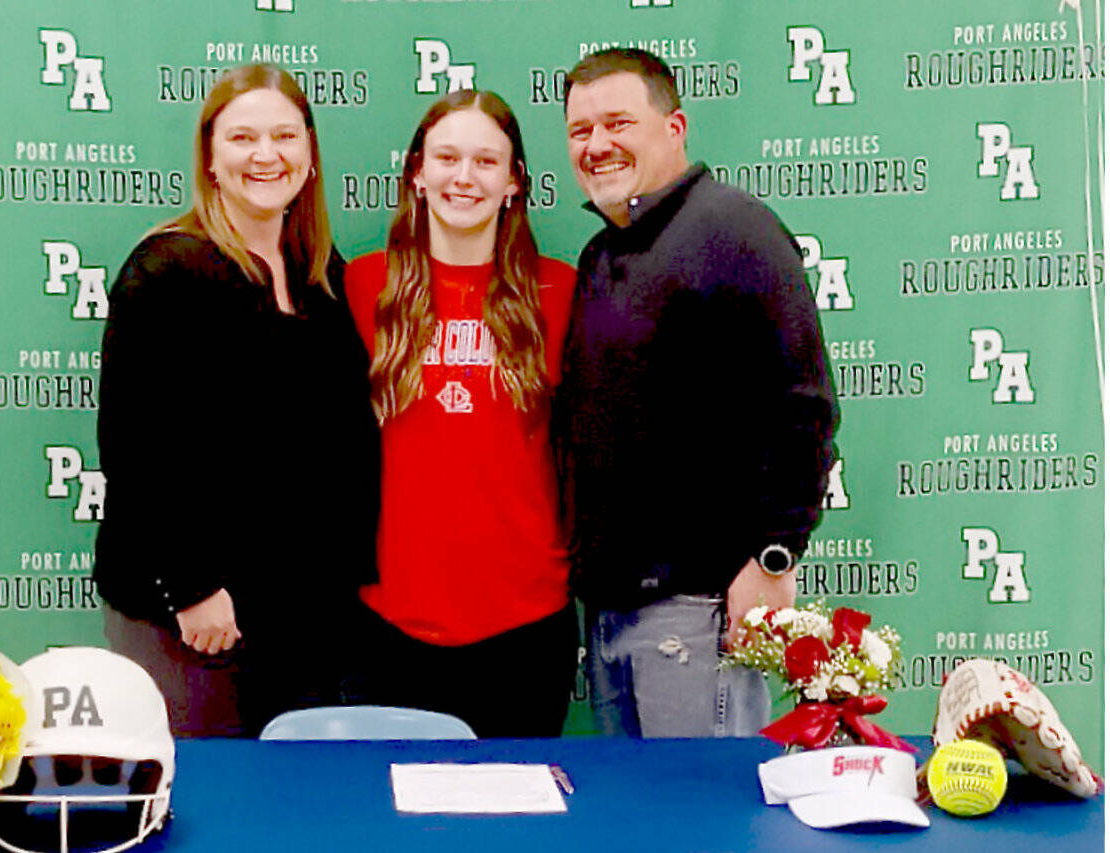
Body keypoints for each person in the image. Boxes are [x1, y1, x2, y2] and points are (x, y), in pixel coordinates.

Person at [554, 48, 839, 738]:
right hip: (613, 611)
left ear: (674, 127)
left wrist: (774, 557)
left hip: (699, 608)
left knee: (703, 826)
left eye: (618, 122)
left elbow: (804, 409)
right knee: (644, 828)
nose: (597, 145)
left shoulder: (734, 231)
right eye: (580, 130)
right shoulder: (602, 255)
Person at [94, 64, 378, 737]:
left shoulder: (320, 277)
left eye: (284, 136)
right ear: (211, 159)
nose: (265, 154)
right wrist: (190, 590)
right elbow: (135, 449)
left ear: (308, 157)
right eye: (242, 137)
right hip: (194, 620)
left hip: (300, 616)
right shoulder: (166, 270)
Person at [345, 90, 577, 738]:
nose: (464, 176)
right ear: (417, 173)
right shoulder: (365, 286)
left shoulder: (561, 293)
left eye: (485, 160)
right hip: (392, 624)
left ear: (513, 183)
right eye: (447, 157)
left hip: (526, 625)